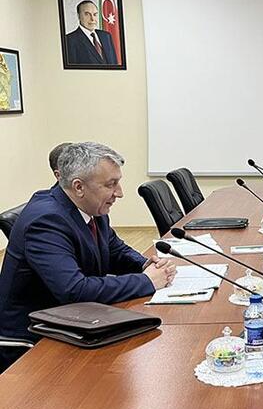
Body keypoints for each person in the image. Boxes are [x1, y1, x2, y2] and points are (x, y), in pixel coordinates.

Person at [0, 142, 176, 372]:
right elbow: (75, 290)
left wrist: (145, 264)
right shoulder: (46, 221)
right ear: (78, 187)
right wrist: (147, 281)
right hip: (32, 339)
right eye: (111, 184)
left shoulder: (91, 208)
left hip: (74, 320)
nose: (119, 193)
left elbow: (115, 250)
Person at [64, 0, 118, 65]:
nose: (92, 19)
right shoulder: (69, 40)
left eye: (95, 14)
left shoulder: (106, 36)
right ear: (78, 16)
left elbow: (115, 63)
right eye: (87, 14)